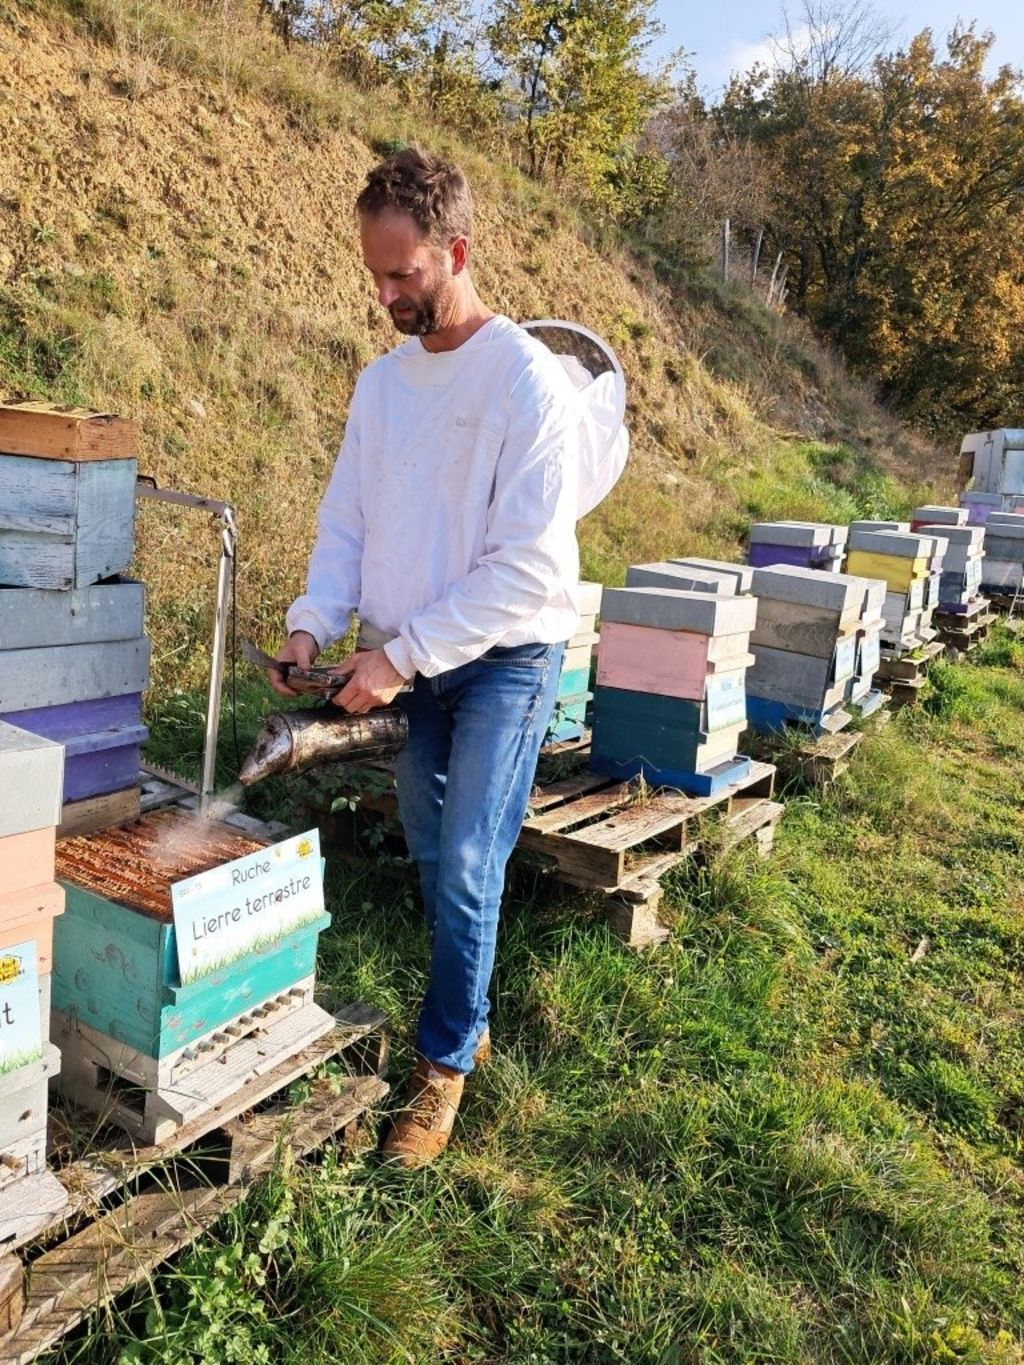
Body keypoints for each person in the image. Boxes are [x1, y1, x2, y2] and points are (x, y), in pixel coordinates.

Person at [270, 147, 583, 1168]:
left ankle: (443, 1064)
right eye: (374, 274)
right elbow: (347, 522)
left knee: (466, 866)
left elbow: (525, 566)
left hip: (501, 661)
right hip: (409, 657)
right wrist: (313, 624)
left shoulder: (527, 383)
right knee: (431, 850)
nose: (386, 293)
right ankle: (470, 1005)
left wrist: (399, 658)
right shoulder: (382, 385)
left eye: (402, 274)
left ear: (456, 250)